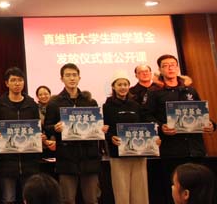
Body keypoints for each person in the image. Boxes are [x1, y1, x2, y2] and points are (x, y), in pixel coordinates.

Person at [143, 54, 215, 203]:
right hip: (172, 150)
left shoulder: (190, 90)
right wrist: (160, 127)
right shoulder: (154, 92)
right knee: (174, 189)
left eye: (173, 65)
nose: (170, 68)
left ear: (177, 67)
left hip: (195, 149)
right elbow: (146, 116)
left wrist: (211, 125)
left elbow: (201, 113)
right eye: (165, 66)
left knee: (199, 189)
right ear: (160, 70)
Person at [43, 63, 107, 204]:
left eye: (74, 75)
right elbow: (47, 127)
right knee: (67, 200)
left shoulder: (90, 101)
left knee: (92, 200)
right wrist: (55, 128)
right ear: (62, 79)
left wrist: (101, 129)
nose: (71, 78)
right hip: (66, 158)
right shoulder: (54, 103)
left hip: (89, 157)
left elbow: (98, 125)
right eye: (68, 75)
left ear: (79, 78)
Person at [0, 67, 43, 204]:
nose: (17, 83)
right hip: (7, 162)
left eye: (20, 80)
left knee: (31, 199)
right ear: (6, 83)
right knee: (9, 199)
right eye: (13, 80)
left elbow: (37, 127)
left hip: (29, 162)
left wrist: (40, 136)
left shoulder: (32, 104)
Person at [103, 70, 155, 204]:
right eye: (119, 84)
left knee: (140, 190)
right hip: (118, 153)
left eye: (125, 84)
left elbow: (145, 125)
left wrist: (154, 138)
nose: (123, 87)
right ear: (113, 87)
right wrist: (110, 137)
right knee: (121, 190)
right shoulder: (107, 106)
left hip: (138, 153)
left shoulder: (136, 105)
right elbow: (104, 128)